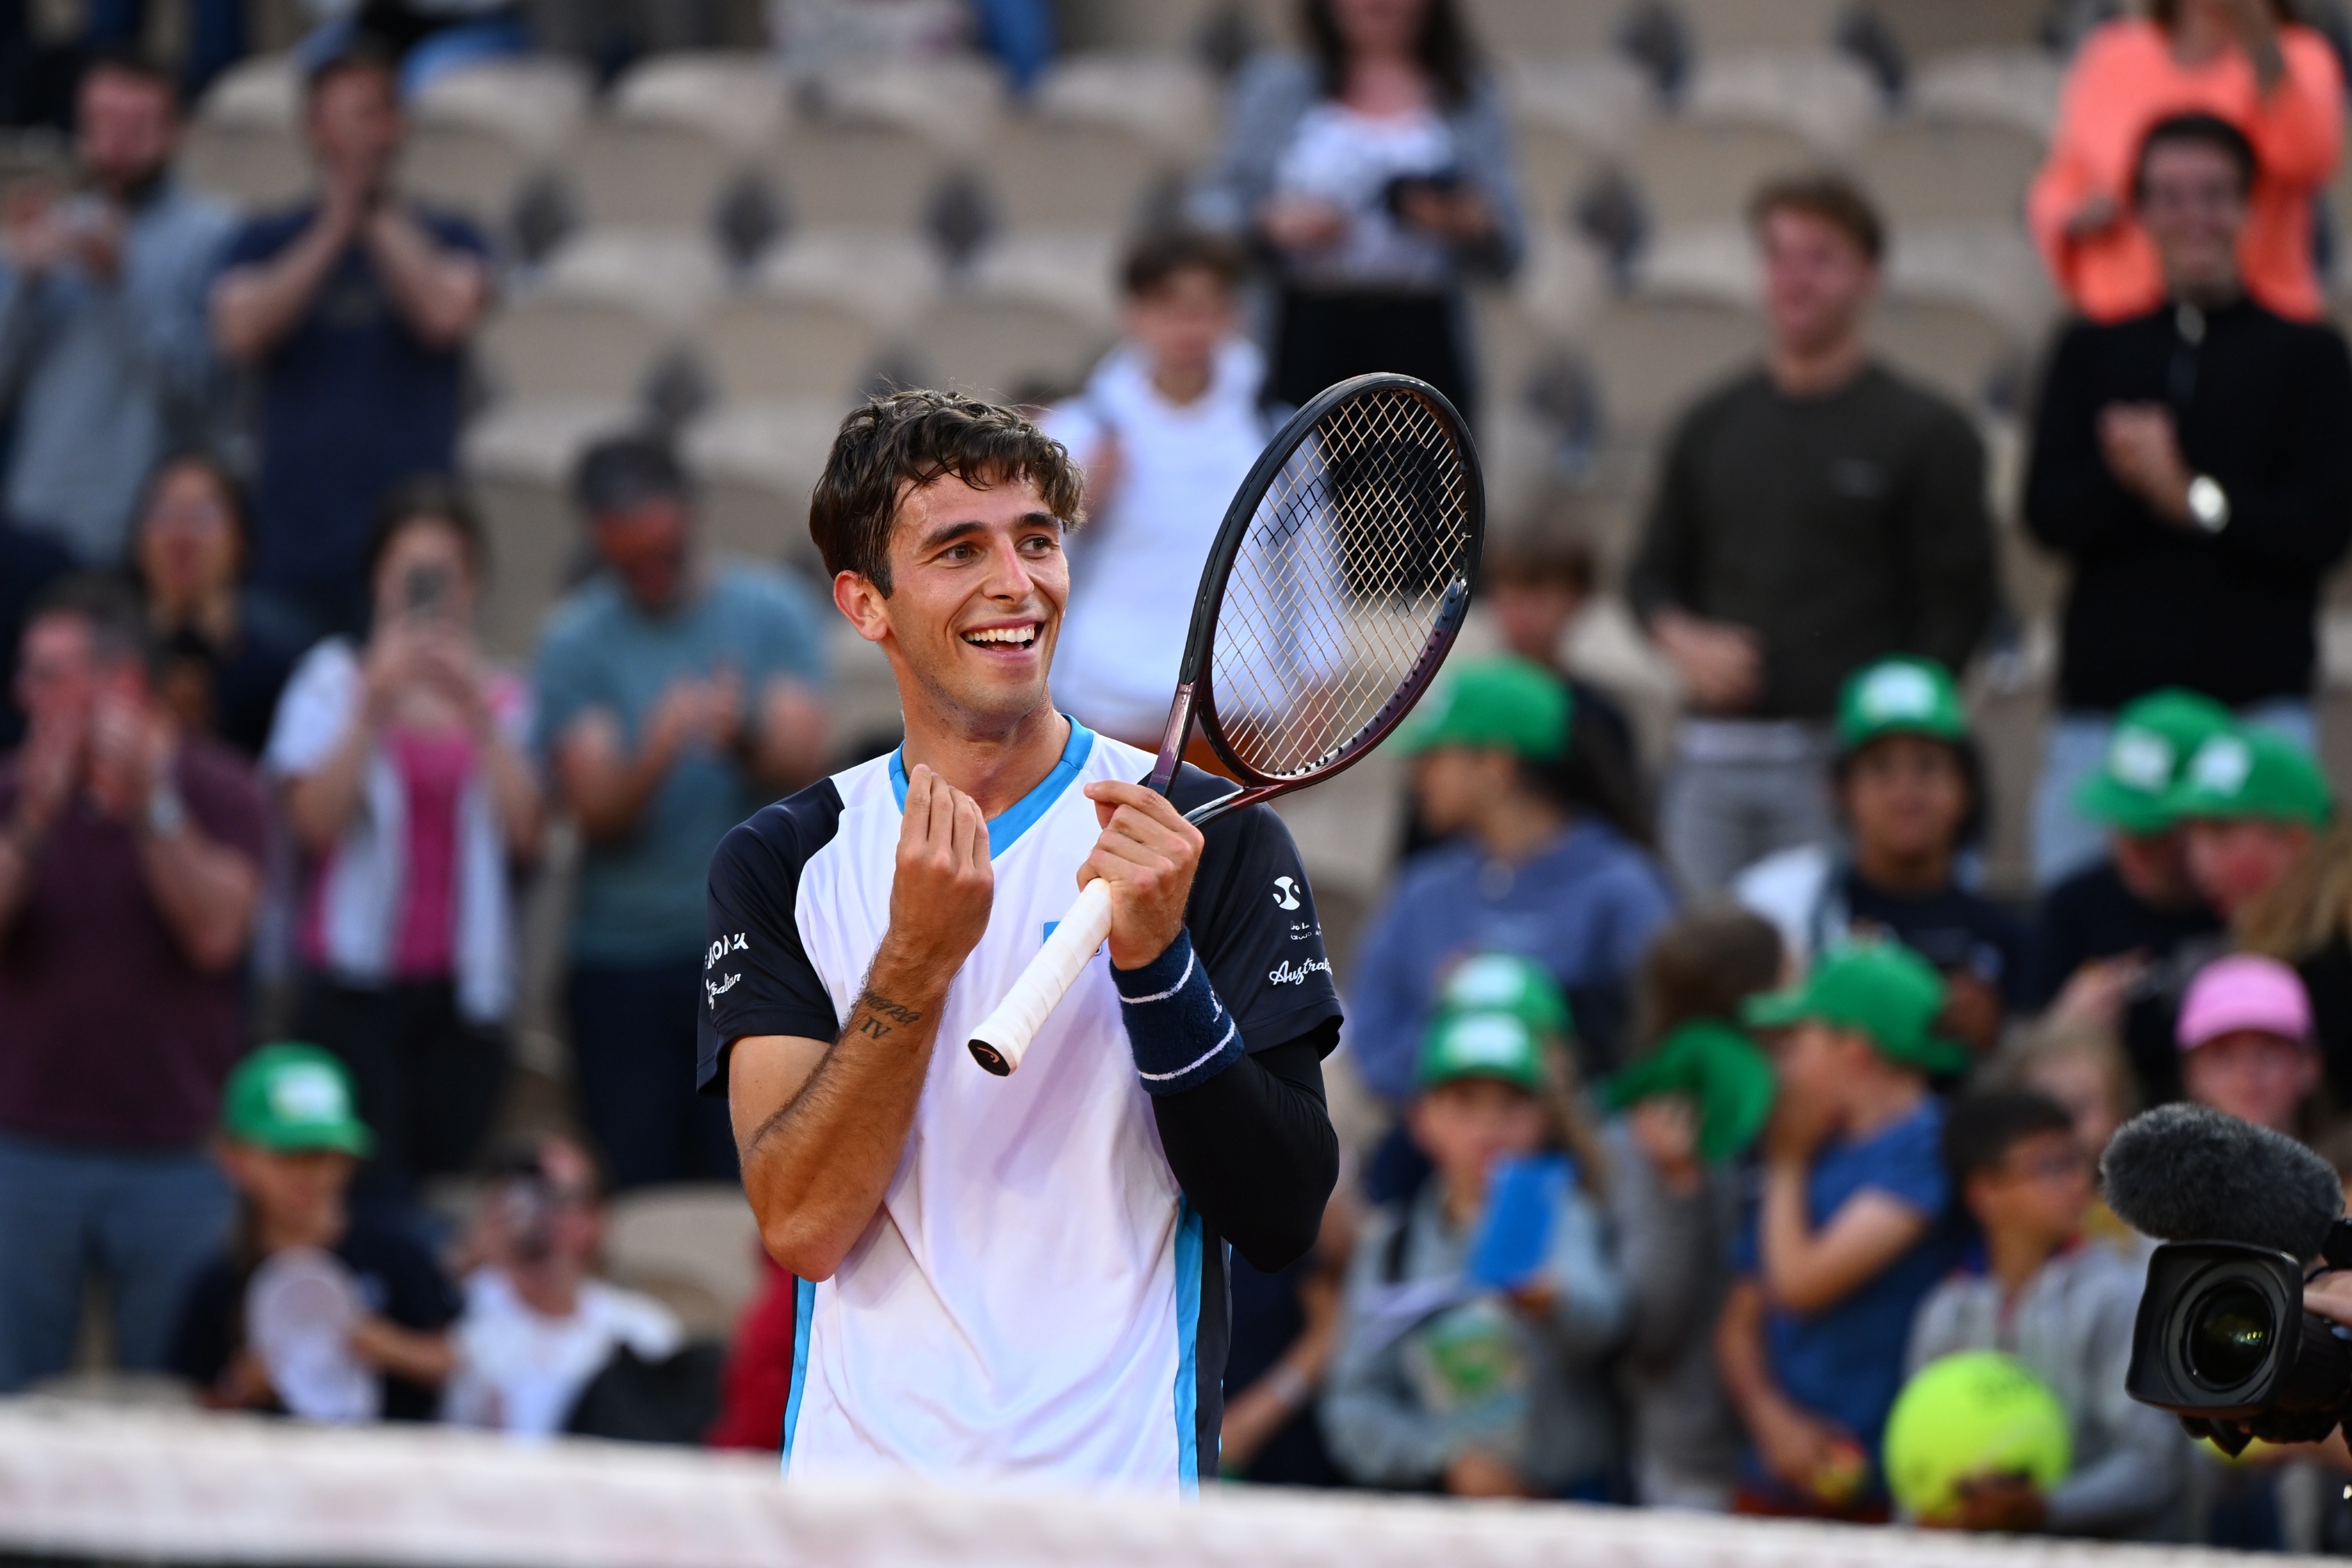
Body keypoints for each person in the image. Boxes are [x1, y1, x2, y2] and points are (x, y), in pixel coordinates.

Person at [703, 388, 1343, 1490]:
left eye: (1037, 541)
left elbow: (1282, 1210)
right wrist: (916, 958)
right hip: (861, 1521)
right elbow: (801, 1222)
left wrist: (1157, 967)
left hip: (1116, 1510)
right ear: (866, 603)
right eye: (959, 550)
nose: (1017, 585)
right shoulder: (781, 861)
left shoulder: (1209, 842)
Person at [1627, 175, 1998, 895]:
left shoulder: (1925, 432)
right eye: (1778, 257)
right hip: (1713, 752)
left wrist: (1884, 752)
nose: (1795, 280)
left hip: (1840, 757)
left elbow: (1959, 612)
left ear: (1869, 278)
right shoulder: (1710, 424)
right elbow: (1650, 577)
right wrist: (1684, 640)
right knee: (1704, 966)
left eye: (1820, 258)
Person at [2024, 112, 2352, 884]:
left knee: (2271, 945)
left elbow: (2322, 526)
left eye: (2213, 195)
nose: (2192, 218)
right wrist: (2132, 476)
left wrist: (2192, 497)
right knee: (2081, 932)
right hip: (2109, 717)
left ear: (2249, 208)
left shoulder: (2308, 357)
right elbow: (2048, 513)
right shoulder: (2089, 350)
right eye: (2169, 197)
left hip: (2252, 713)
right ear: (2140, 212)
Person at [535, 434, 828, 1191]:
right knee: (638, 1189)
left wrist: (742, 734)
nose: (651, 570)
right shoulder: (574, 640)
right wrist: (657, 752)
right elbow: (594, 812)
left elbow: (807, 753)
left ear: (690, 517)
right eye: (630, 557)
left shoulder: (768, 610)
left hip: (752, 948)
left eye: (662, 547)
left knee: (754, 1185)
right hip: (621, 959)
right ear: (599, 539)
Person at [0, 575, 267, 1392]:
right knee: (13, 1402)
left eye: (49, 673)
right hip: (24, 1144)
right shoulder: (12, 790)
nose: (24, 692)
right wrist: (32, 826)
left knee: (172, 1396)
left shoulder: (220, 789)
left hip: (175, 1155)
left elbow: (218, 933)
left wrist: (154, 808)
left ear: (121, 682)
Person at [265, 481, 540, 1206]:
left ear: (472, 583)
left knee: (439, 1188)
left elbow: (526, 835)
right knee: (354, 1187)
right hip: (352, 985)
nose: (425, 592)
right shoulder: (331, 681)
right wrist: (372, 703)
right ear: (377, 579)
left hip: (461, 991)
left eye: (442, 574)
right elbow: (312, 823)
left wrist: (476, 711)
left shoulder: (502, 694)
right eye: (407, 572)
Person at [209, 45, 492, 639]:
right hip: (293, 545)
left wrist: (374, 214)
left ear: (399, 125)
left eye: (368, 114)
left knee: (421, 697)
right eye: (339, 118)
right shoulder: (265, 238)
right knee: (295, 716)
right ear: (311, 130)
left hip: (415, 539)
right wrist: (334, 225)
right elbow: (240, 330)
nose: (355, 135)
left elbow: (444, 314)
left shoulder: (451, 232)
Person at [1322, 1009, 1625, 1498]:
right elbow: (1354, 1402)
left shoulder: (1568, 1217)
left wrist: (1554, 1303)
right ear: (1422, 1120)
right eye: (1464, 1102)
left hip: (1570, 1507)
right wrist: (1442, 1456)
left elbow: (1610, 1321)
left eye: (1511, 1105)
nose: (1489, 1126)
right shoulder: (1391, 1246)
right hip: (1446, 1519)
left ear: (1544, 1119)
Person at [1348, 656, 1675, 1099]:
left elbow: (1659, 1046)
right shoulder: (1422, 890)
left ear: (1496, 765)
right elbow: (1373, 1047)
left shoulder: (1622, 888)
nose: (1415, 776)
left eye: (1434, 756)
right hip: (1436, 1154)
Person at [1716, 942, 1965, 1521]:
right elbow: (1738, 1323)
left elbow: (1800, 1284)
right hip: (1779, 1477)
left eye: (1797, 1044)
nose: (1784, 1068)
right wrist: (1771, 1419)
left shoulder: (1924, 1148)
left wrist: (1784, 1168)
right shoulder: (1814, 1147)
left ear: (1853, 1051)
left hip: (1887, 1486)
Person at [1189, 0, 1521, 423]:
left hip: (1422, 332)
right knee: (1302, 480)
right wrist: (1270, 222)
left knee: (1423, 484)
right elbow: (1208, 207)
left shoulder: (1468, 92)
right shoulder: (1275, 86)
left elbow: (1512, 246)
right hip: (1304, 330)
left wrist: (1460, 218)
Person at [1904, 1089, 2185, 1538]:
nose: (2078, 1183)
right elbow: (1913, 1462)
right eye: (2050, 1167)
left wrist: (2043, 1509)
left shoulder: (2121, 1295)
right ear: (1985, 1193)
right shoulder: (1944, 1312)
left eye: (2079, 1162)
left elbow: (2157, 1467)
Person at [0, 49, 235, 568]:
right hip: (37, 518)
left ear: (178, 131)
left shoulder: (215, 238)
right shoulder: (51, 234)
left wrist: (119, 286)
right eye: (99, 124)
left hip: (149, 537)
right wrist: (23, 284)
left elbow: (204, 396)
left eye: (135, 128)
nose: (113, 145)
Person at [1041, 230, 1269, 750]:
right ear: (1133, 315)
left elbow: (1307, 570)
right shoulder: (1075, 433)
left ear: (1235, 316)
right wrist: (1080, 508)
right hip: (1099, 705)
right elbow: (1029, 566)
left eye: (1208, 308)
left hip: (1233, 714)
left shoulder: (1277, 433)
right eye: (1171, 307)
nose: (1190, 327)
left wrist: (1314, 692)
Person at [1737, 658, 2024, 1055]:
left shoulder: (2004, 939)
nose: (1905, 793)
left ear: (1967, 788)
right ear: (1840, 791)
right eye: (1879, 769)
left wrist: (1996, 1038)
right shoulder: (1786, 908)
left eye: (1928, 767)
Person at [1601, 905, 1784, 1512]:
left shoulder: (1796, 1115)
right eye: (1790, 978)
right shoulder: (1648, 1133)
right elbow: (1651, 1325)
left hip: (1801, 1446)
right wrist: (1682, 1191)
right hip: (1695, 1460)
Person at [169, 1044, 459, 1421]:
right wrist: (239, 1390)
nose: (310, 1174)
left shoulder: (397, 1253)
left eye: (325, 1154)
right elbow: (192, 1404)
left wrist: (391, 1348)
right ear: (234, 1158)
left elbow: (454, 1360)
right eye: (288, 1155)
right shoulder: (220, 1279)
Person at [2028, 0, 2341, 326]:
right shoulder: (2112, 54)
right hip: (2124, 318)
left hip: (2257, 323)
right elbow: (2063, 178)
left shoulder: (2301, 55)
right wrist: (2075, 213)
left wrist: (2260, 40)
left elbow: (2309, 157)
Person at [2023, 688, 2230, 1094]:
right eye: (2121, 818)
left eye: (2156, 828)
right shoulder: (2074, 906)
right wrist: (2065, 1029)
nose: (2134, 845)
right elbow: (2019, 1073)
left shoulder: (2246, 907)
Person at [441, 1138, 685, 1438]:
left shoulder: (641, 1329)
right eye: (520, 1191)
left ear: (595, 1219)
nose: (535, 1212)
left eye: (554, 1196)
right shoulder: (451, 1306)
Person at [132, 454, 310, 759]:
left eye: (202, 516)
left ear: (241, 539)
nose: (181, 533)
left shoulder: (282, 680)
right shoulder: (109, 661)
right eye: (165, 513)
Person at [2176, 953, 2324, 1141]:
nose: (2246, 1074)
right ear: (2192, 1074)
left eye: (2267, 1054)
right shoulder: (2155, 1169)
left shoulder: (2342, 1166)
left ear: (2309, 1065)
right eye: (2223, 1057)